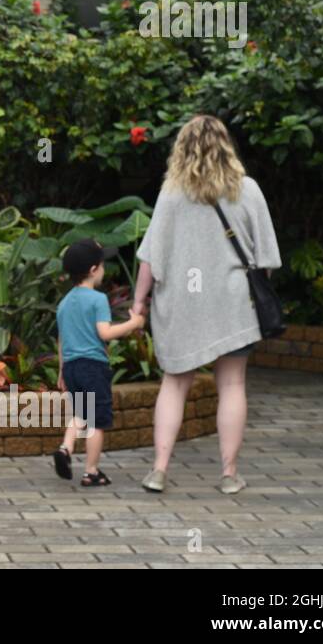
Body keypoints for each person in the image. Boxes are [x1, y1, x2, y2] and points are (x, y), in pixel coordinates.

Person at [131, 115, 281, 495]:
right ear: (226, 145)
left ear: (182, 148)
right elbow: (265, 260)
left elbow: (150, 258)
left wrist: (138, 302)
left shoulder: (171, 193)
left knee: (175, 382)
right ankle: (229, 474)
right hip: (232, 302)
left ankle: (159, 470)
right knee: (232, 384)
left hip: (183, 302)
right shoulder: (247, 190)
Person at [52, 238, 147, 487]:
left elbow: (61, 340)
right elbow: (104, 333)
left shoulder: (63, 304)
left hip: (72, 367)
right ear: (94, 270)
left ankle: (66, 447)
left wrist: (62, 370)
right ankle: (91, 471)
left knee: (81, 412)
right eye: (102, 266)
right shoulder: (97, 299)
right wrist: (134, 323)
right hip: (93, 367)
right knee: (96, 421)